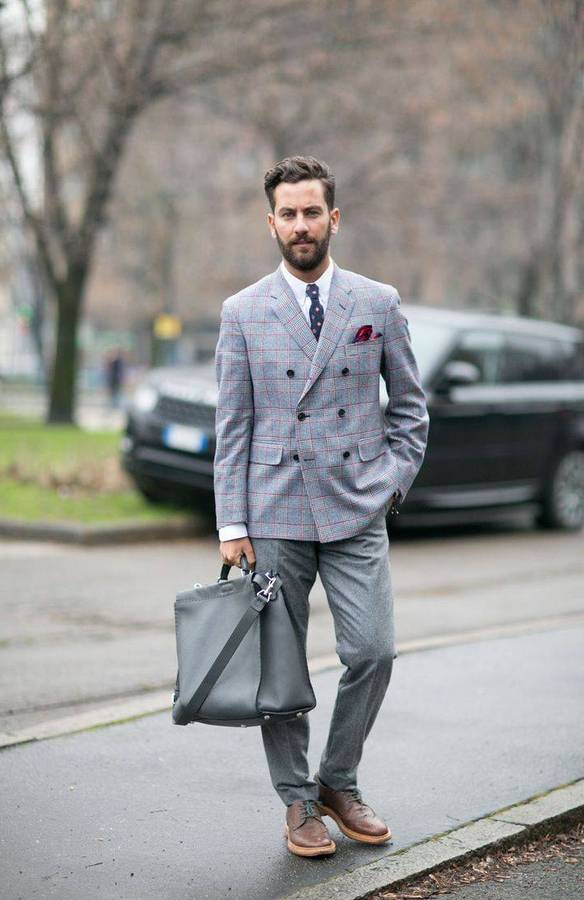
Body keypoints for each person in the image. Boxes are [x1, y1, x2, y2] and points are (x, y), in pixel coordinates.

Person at [214, 156, 429, 858]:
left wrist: (388, 485)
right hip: (274, 508)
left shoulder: (377, 302)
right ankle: (297, 801)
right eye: (289, 214)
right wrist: (231, 523)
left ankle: (338, 779)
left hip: (355, 505)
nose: (300, 225)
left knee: (373, 650)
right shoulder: (243, 312)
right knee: (282, 669)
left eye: (312, 212)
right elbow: (233, 427)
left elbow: (411, 410)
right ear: (271, 223)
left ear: (333, 218)